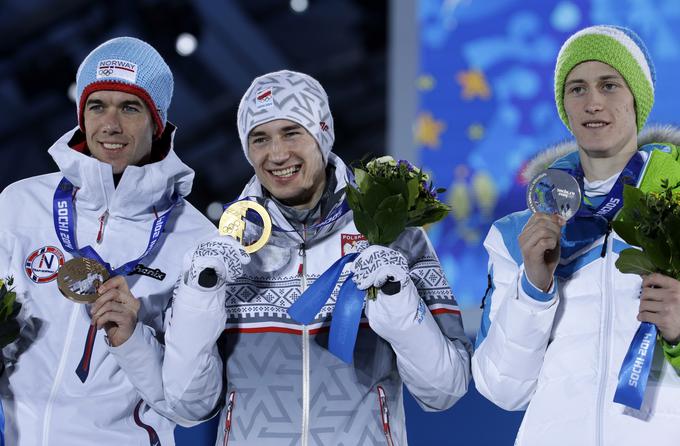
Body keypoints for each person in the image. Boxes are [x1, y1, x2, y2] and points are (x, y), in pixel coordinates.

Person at [162, 70, 472, 445]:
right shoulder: (224, 252)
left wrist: (398, 303)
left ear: (322, 134)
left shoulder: (396, 239)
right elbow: (188, 405)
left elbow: (445, 390)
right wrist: (199, 296)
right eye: (260, 139)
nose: (277, 154)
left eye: (292, 132)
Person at [0, 37, 215, 445]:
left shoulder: (197, 240)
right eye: (97, 106)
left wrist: (133, 340)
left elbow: (193, 406)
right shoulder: (19, 205)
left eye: (130, 108)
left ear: (158, 122)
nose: (111, 125)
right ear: (82, 116)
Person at [472, 25, 680, 445]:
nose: (593, 103)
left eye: (609, 85)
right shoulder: (519, 233)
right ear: (564, 105)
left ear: (637, 98)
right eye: (577, 89)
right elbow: (502, 389)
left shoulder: (676, 211)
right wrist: (533, 289)